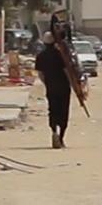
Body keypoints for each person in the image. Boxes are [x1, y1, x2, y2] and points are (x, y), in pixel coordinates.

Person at [35, 15, 73, 149]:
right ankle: (61, 138)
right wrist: (72, 84)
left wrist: (47, 83)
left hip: (51, 87)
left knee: (53, 110)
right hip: (63, 87)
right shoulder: (60, 54)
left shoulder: (40, 56)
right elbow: (67, 71)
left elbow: (40, 74)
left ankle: (53, 132)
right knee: (64, 111)